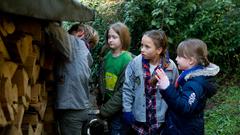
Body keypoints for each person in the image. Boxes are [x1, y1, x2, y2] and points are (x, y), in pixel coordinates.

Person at [155, 39, 220, 135]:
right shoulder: (188, 76)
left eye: (179, 56)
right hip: (178, 126)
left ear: (191, 61)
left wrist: (167, 87)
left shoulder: (195, 84)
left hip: (186, 130)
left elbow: (185, 107)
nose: (176, 59)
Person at [122, 29, 179, 134]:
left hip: (161, 120)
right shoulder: (135, 63)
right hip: (140, 118)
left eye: (147, 47)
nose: (142, 49)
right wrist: (127, 109)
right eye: (142, 45)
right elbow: (127, 88)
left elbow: (175, 92)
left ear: (159, 50)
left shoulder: (170, 67)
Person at [46, 22, 98, 135]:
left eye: (70, 33)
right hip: (81, 108)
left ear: (80, 33)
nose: (68, 37)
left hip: (71, 110)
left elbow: (53, 29)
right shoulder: (85, 54)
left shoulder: (76, 44)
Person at [97, 22, 133, 135]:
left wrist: (105, 110)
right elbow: (102, 81)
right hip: (107, 104)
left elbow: (124, 91)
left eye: (114, 37)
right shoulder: (107, 56)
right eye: (109, 37)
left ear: (123, 38)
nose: (110, 40)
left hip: (119, 109)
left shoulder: (127, 60)